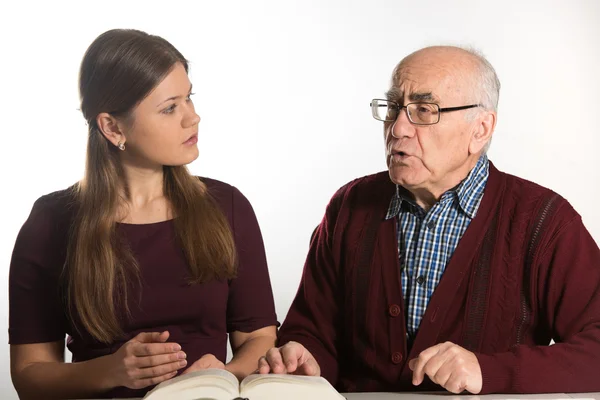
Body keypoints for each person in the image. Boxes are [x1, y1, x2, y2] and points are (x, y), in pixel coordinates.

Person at [257, 46, 600, 395]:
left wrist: (488, 371)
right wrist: (306, 359)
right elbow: (312, 330)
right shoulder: (350, 206)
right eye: (393, 108)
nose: (398, 128)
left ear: (480, 129)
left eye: (424, 110)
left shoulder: (543, 221)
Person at [8, 29, 278, 399]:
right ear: (113, 127)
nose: (193, 118)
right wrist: (111, 371)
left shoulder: (227, 206)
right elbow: (28, 376)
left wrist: (223, 375)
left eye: (189, 98)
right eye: (170, 108)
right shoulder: (51, 223)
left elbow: (260, 337)